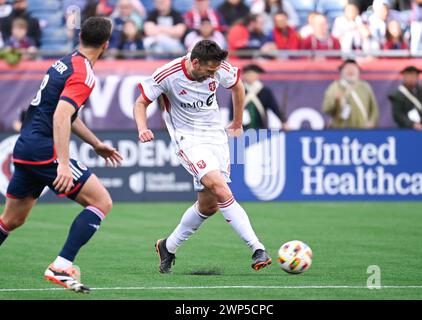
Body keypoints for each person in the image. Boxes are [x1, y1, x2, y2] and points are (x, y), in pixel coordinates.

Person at [0, 17, 123, 294]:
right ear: (105, 45)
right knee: (101, 201)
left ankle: (61, 265)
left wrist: (95, 143)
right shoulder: (84, 73)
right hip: (45, 151)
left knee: (11, 220)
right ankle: (61, 266)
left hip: (25, 147)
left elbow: (69, 114)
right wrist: (64, 165)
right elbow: (61, 115)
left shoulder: (66, 61)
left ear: (81, 38)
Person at [133, 40, 272, 273]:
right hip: (188, 140)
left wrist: (237, 122)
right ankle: (257, 248)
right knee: (220, 189)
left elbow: (238, 87)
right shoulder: (168, 74)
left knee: (208, 206)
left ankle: (168, 246)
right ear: (195, 62)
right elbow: (140, 102)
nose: (212, 75)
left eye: (215, 70)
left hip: (216, 138)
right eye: (208, 70)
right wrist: (142, 128)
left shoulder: (218, 68)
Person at [322, 59, 379, 128]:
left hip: (362, 130)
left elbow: (374, 109)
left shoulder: (365, 87)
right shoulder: (335, 87)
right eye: (347, 68)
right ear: (342, 71)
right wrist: (336, 101)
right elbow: (326, 108)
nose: (350, 70)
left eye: (353, 68)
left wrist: (372, 122)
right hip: (341, 129)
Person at [230, 63, 289, 130]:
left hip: (261, 128)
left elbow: (275, 108)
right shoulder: (238, 90)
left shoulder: (265, 91)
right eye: (248, 74)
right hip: (242, 129)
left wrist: (283, 121)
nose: (250, 77)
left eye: (252, 74)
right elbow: (233, 109)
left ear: (257, 76)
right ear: (244, 76)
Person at [388, 65, 422, 129]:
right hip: (405, 130)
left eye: (414, 76)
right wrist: (412, 124)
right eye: (409, 75)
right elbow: (398, 115)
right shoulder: (398, 94)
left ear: (417, 77)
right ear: (404, 77)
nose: (411, 78)